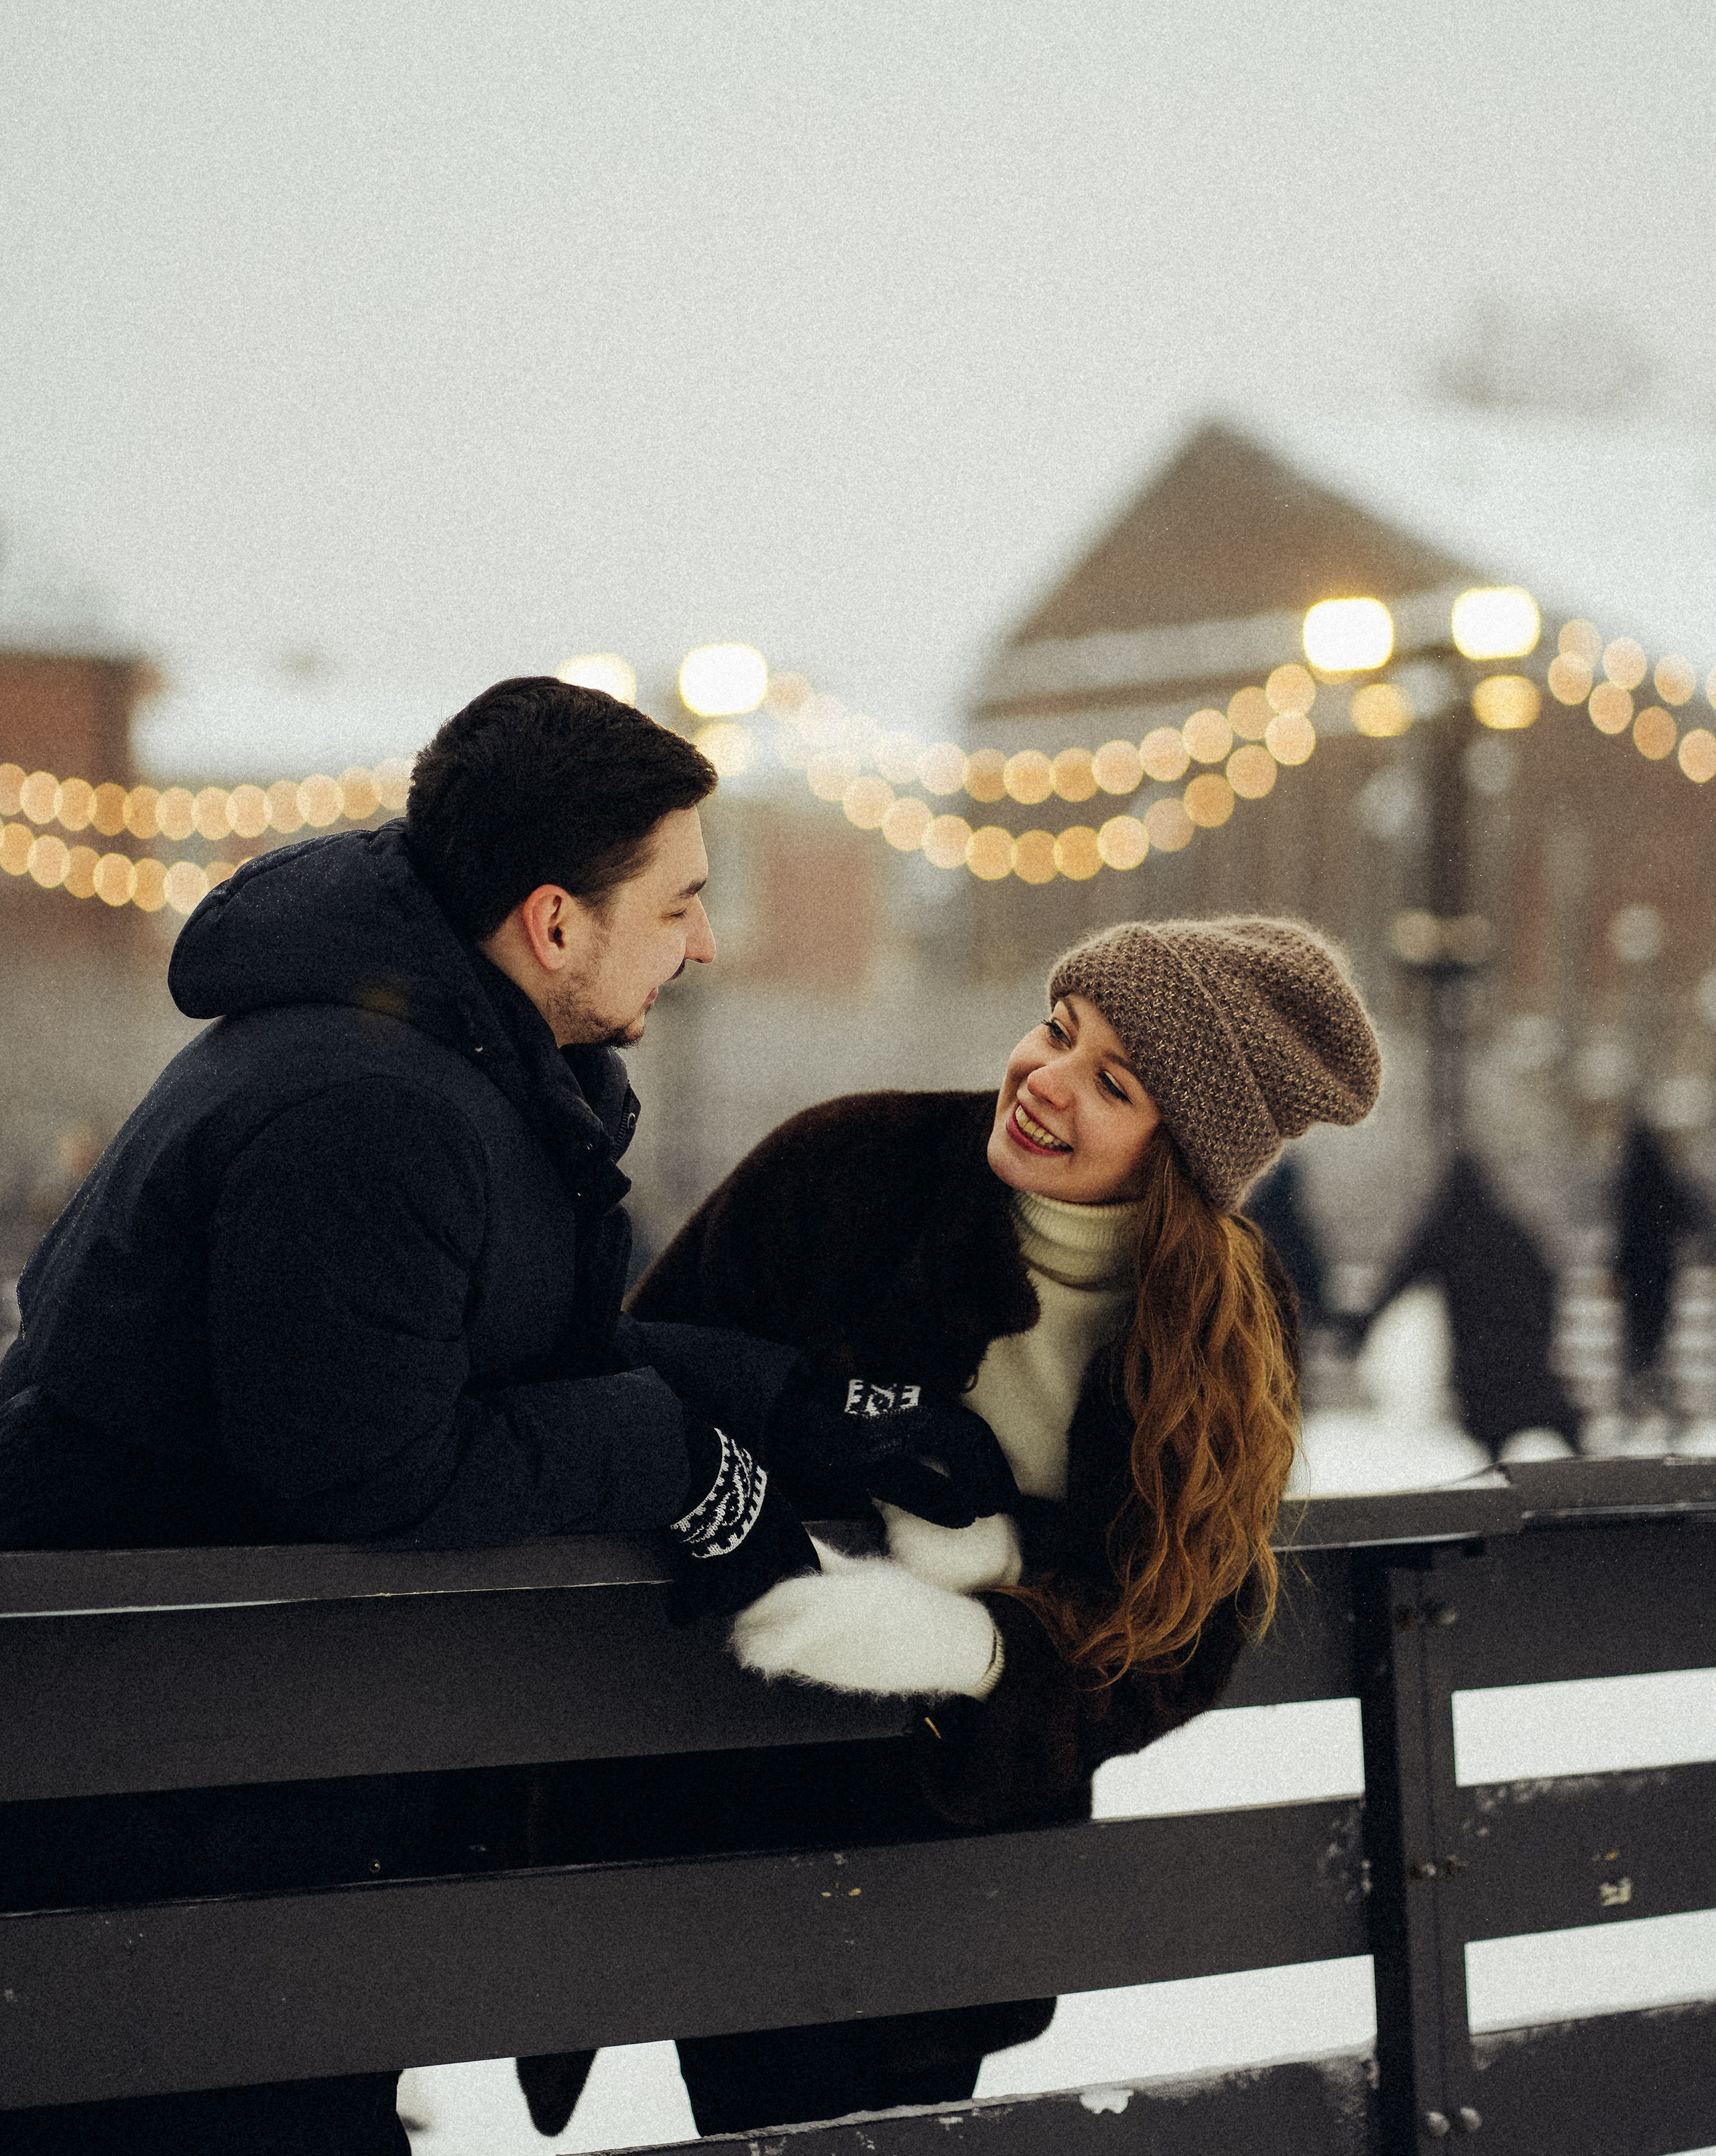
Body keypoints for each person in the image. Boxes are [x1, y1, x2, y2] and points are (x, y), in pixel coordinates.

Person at [0, 676, 864, 2155]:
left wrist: (804, 1407)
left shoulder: (462, 1070)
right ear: (551, 923)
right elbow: (378, 1465)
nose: (705, 941)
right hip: (140, 1807)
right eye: (677, 904)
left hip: (238, 1779)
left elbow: (516, 1354)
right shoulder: (367, 1109)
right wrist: (671, 1456)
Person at [521, 915, 1381, 2138]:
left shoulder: (1227, 1329)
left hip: (962, 1855)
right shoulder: (850, 1168)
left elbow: (1183, 1633)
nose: (1044, 1081)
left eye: (1113, 1083)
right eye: (1056, 1030)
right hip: (733, 1812)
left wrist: (975, 1645)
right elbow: (622, 1364)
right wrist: (811, 1421)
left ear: (1184, 1151)